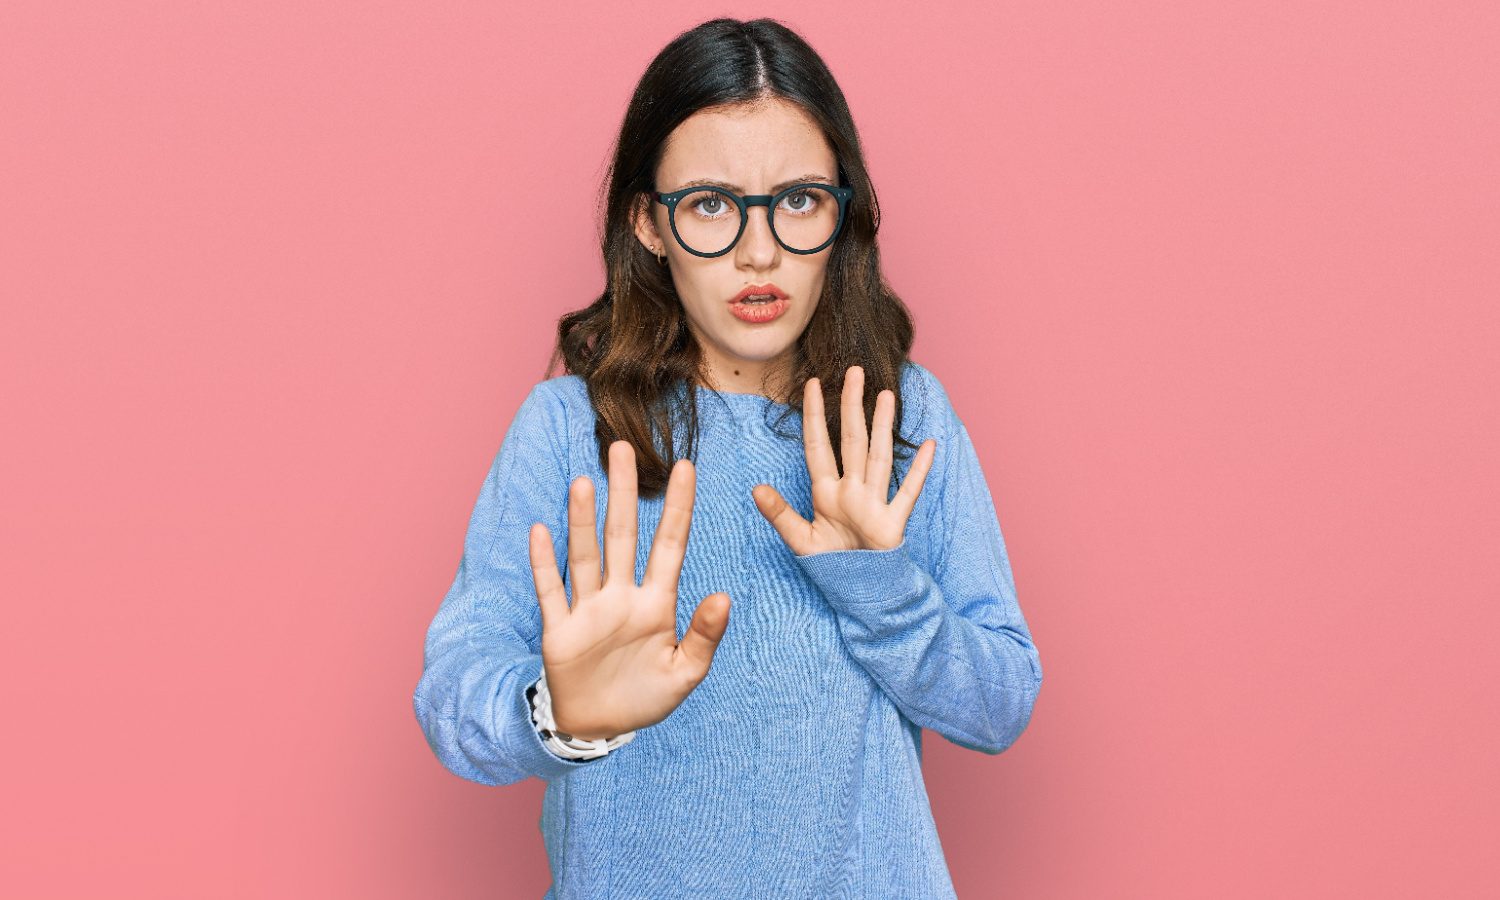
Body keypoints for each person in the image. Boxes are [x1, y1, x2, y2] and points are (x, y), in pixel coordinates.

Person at [413, 17, 1042, 899]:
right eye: (710, 204)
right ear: (649, 223)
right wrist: (559, 716)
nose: (760, 250)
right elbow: (454, 700)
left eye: (797, 200)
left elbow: (998, 705)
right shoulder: (566, 428)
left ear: (843, 209)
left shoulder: (899, 416)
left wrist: (884, 588)